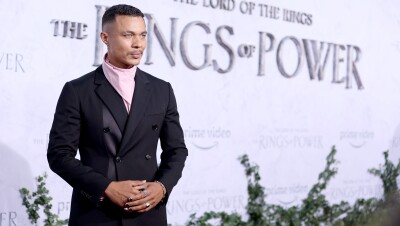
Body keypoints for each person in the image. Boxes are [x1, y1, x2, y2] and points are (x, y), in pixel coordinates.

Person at [47, 4, 188, 226]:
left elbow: (177, 150)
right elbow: (59, 155)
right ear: (105, 37)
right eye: (127, 35)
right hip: (97, 213)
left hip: (147, 213)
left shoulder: (162, 90)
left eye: (142, 35)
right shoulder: (78, 90)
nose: (138, 44)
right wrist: (106, 187)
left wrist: (162, 187)